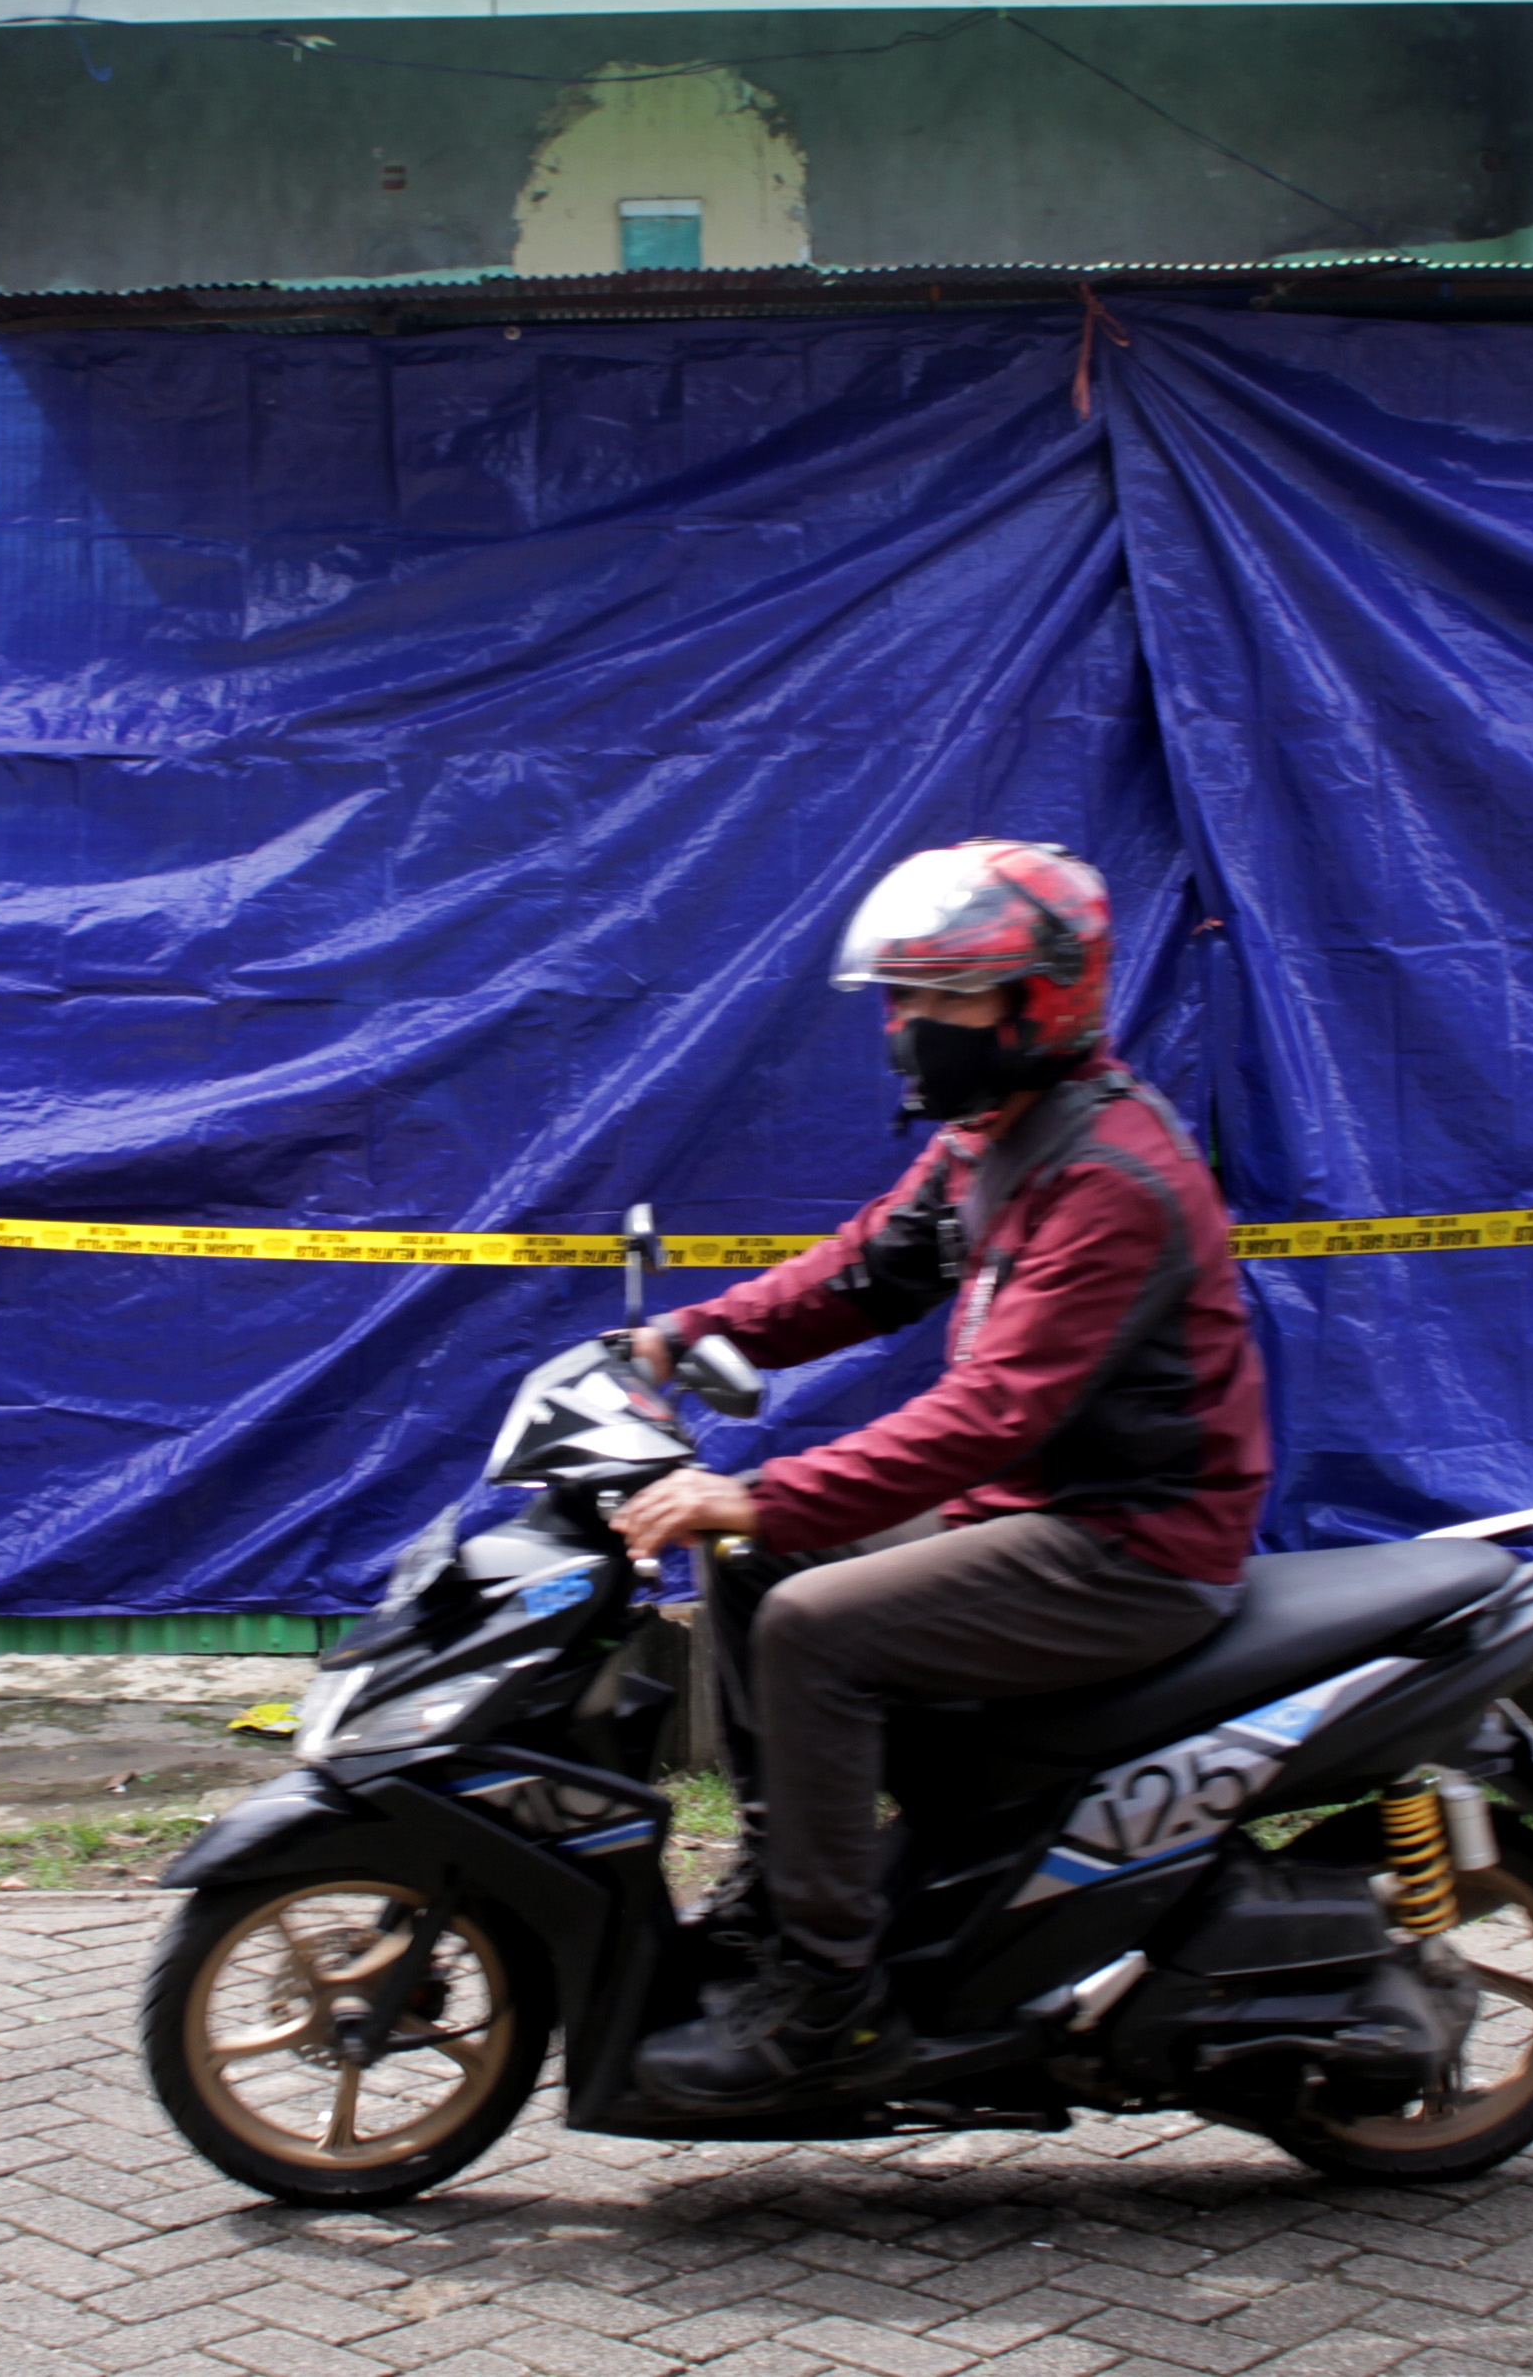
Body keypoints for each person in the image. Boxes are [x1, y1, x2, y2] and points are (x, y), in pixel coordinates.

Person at [613, 837, 1269, 2111]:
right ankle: (784, 1901)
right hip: (1039, 1513)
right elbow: (862, 1271)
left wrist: (761, 1490)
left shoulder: (1111, 1177)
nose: (907, 1027)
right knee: (760, 1569)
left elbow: (989, 1416)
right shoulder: (995, 1138)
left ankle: (830, 2016)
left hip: (1132, 1543)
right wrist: (691, 1337)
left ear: (1039, 1001)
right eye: (899, 997)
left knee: (808, 1621)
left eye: (939, 997)